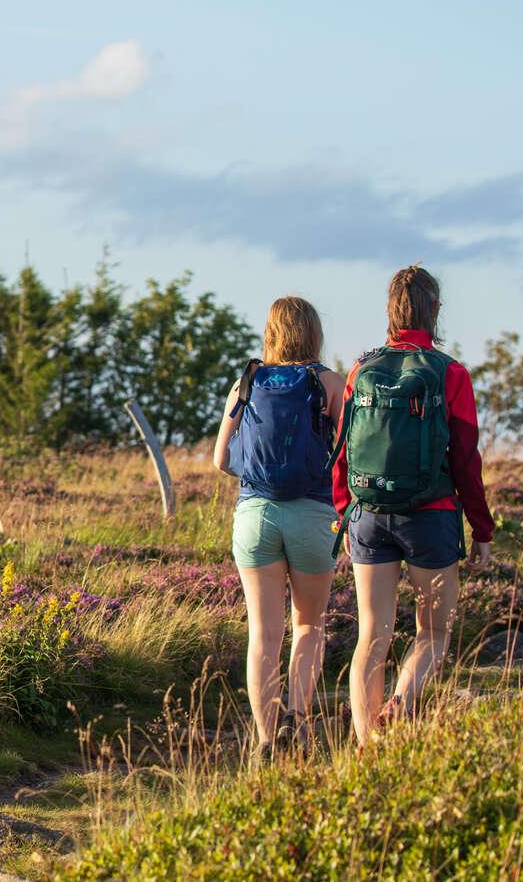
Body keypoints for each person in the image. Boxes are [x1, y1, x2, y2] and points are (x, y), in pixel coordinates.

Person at [331, 265, 493, 744]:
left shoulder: (361, 369)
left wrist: (345, 509)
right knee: (433, 634)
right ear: (435, 310)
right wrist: (481, 528)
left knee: (371, 637)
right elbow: (466, 457)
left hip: (368, 514)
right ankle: (401, 702)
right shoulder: (451, 373)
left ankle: (366, 748)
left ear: (390, 312)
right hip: (432, 515)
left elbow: (342, 448)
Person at [213, 296, 344, 758]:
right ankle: (299, 724)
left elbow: (219, 458)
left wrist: (257, 479)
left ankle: (267, 740)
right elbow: (345, 456)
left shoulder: (245, 381)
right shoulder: (329, 382)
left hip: (255, 515)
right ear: (313, 332)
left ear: (271, 332)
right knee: (308, 625)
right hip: (313, 515)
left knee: (263, 634)